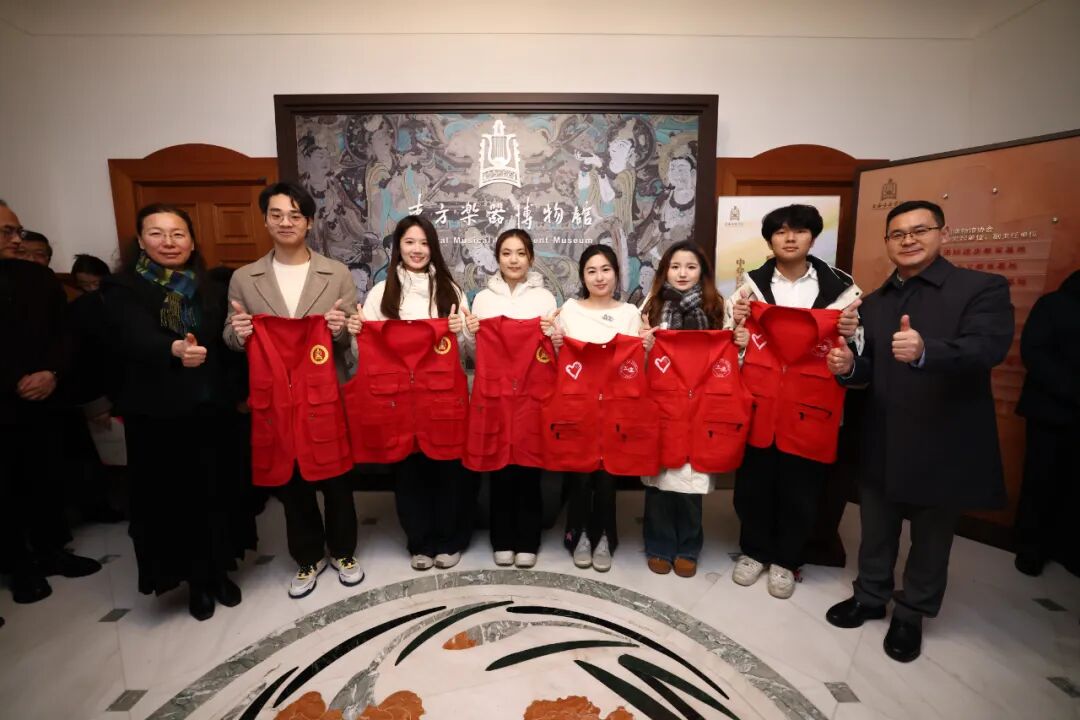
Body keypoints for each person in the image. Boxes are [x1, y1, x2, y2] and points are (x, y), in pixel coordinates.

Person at [825, 199, 1014, 663]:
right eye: (898, 234)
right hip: (882, 433)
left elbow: (988, 348)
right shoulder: (874, 302)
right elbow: (869, 368)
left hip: (943, 437)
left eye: (919, 230)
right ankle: (871, 595)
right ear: (888, 242)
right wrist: (849, 367)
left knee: (931, 537)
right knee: (876, 527)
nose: (908, 240)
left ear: (941, 234)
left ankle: (912, 613)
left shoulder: (981, 288)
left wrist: (928, 350)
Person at [99, 203, 255, 620]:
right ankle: (195, 582)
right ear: (140, 240)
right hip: (158, 416)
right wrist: (172, 349)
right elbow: (132, 336)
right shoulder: (123, 289)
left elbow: (227, 346)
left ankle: (220, 570)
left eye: (178, 233)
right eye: (157, 233)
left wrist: (241, 384)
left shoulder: (211, 287)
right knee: (172, 500)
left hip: (213, 410)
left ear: (191, 240)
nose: (168, 242)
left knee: (218, 490)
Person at [225, 181, 361, 599]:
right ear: (265, 220)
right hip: (278, 398)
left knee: (336, 478)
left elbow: (350, 338)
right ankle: (307, 556)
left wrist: (340, 330)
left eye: (295, 215)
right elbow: (231, 337)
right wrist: (239, 332)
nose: (286, 222)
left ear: (309, 222)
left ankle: (343, 551)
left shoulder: (335, 274)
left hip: (325, 392)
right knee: (293, 479)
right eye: (277, 214)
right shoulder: (245, 278)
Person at [727, 204, 862, 599]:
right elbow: (730, 346)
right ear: (769, 240)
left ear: (813, 238)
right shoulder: (748, 289)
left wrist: (851, 333)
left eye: (799, 231)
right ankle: (753, 550)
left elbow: (855, 350)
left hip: (812, 402)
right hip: (760, 401)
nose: (789, 238)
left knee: (801, 488)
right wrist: (737, 330)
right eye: (780, 231)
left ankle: (787, 559)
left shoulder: (841, 288)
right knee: (753, 484)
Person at [349, 214, 475, 571]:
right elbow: (365, 356)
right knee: (408, 474)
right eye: (409, 242)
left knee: (448, 472)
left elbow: (468, 352)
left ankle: (450, 540)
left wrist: (461, 331)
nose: (417, 250)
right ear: (398, 248)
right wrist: (358, 333)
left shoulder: (451, 290)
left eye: (424, 243)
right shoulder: (380, 293)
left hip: (443, 397)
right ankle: (419, 542)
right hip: (398, 402)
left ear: (433, 247)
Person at [0, 199, 101, 605]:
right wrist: (13, 381)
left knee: (45, 478)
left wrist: (51, 372)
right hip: (4, 403)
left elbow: (66, 333)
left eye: (18, 231)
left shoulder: (37, 278)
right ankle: (19, 567)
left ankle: (51, 551)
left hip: (45, 399)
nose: (17, 240)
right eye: (7, 232)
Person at [639, 241, 738, 578]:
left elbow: (728, 357)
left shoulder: (716, 307)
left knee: (691, 483)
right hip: (661, 403)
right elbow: (636, 360)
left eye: (691, 267)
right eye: (675, 266)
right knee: (660, 482)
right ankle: (658, 545)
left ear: (702, 272)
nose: (682, 273)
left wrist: (738, 342)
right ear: (665, 270)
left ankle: (688, 547)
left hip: (702, 405)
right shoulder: (651, 305)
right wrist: (645, 346)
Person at [554, 244, 655, 572]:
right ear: (583, 277)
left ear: (616, 273)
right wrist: (554, 344)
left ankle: (605, 537)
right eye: (592, 271)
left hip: (616, 408)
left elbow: (636, 367)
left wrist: (647, 347)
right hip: (578, 406)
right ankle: (579, 534)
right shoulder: (569, 310)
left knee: (608, 477)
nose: (599, 277)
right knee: (581, 475)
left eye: (606, 270)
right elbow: (559, 361)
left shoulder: (630, 313)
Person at [463, 229, 557, 569]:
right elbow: (474, 354)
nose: (513, 260)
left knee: (529, 471)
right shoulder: (483, 300)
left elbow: (552, 352)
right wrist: (470, 333)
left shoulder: (545, 299)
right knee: (499, 470)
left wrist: (553, 336)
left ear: (530, 257)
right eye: (506, 253)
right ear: (497, 258)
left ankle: (528, 539)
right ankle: (501, 538)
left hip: (533, 396)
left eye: (520, 253)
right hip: (496, 396)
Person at [1012, 270, 1080, 577]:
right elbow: (1034, 352)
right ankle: (1030, 548)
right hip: (1050, 411)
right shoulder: (1054, 304)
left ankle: (1068, 548)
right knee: (1041, 481)